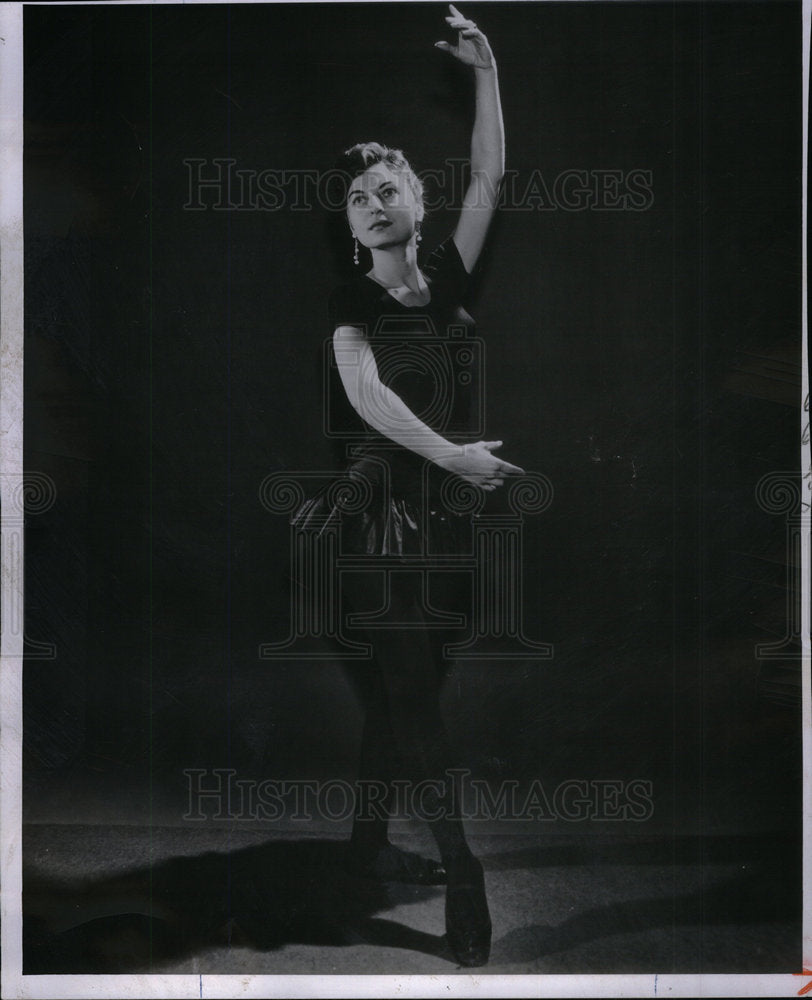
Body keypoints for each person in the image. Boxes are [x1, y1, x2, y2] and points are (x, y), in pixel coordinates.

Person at [292, 5, 523, 967]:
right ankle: (464, 886)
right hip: (377, 530)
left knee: (400, 699)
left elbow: (492, 174)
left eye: (390, 189)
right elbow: (373, 405)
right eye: (360, 201)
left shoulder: (448, 276)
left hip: (446, 527)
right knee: (417, 713)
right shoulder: (349, 305)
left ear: (417, 204)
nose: (378, 202)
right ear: (352, 232)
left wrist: (488, 74)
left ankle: (363, 852)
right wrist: (461, 459)